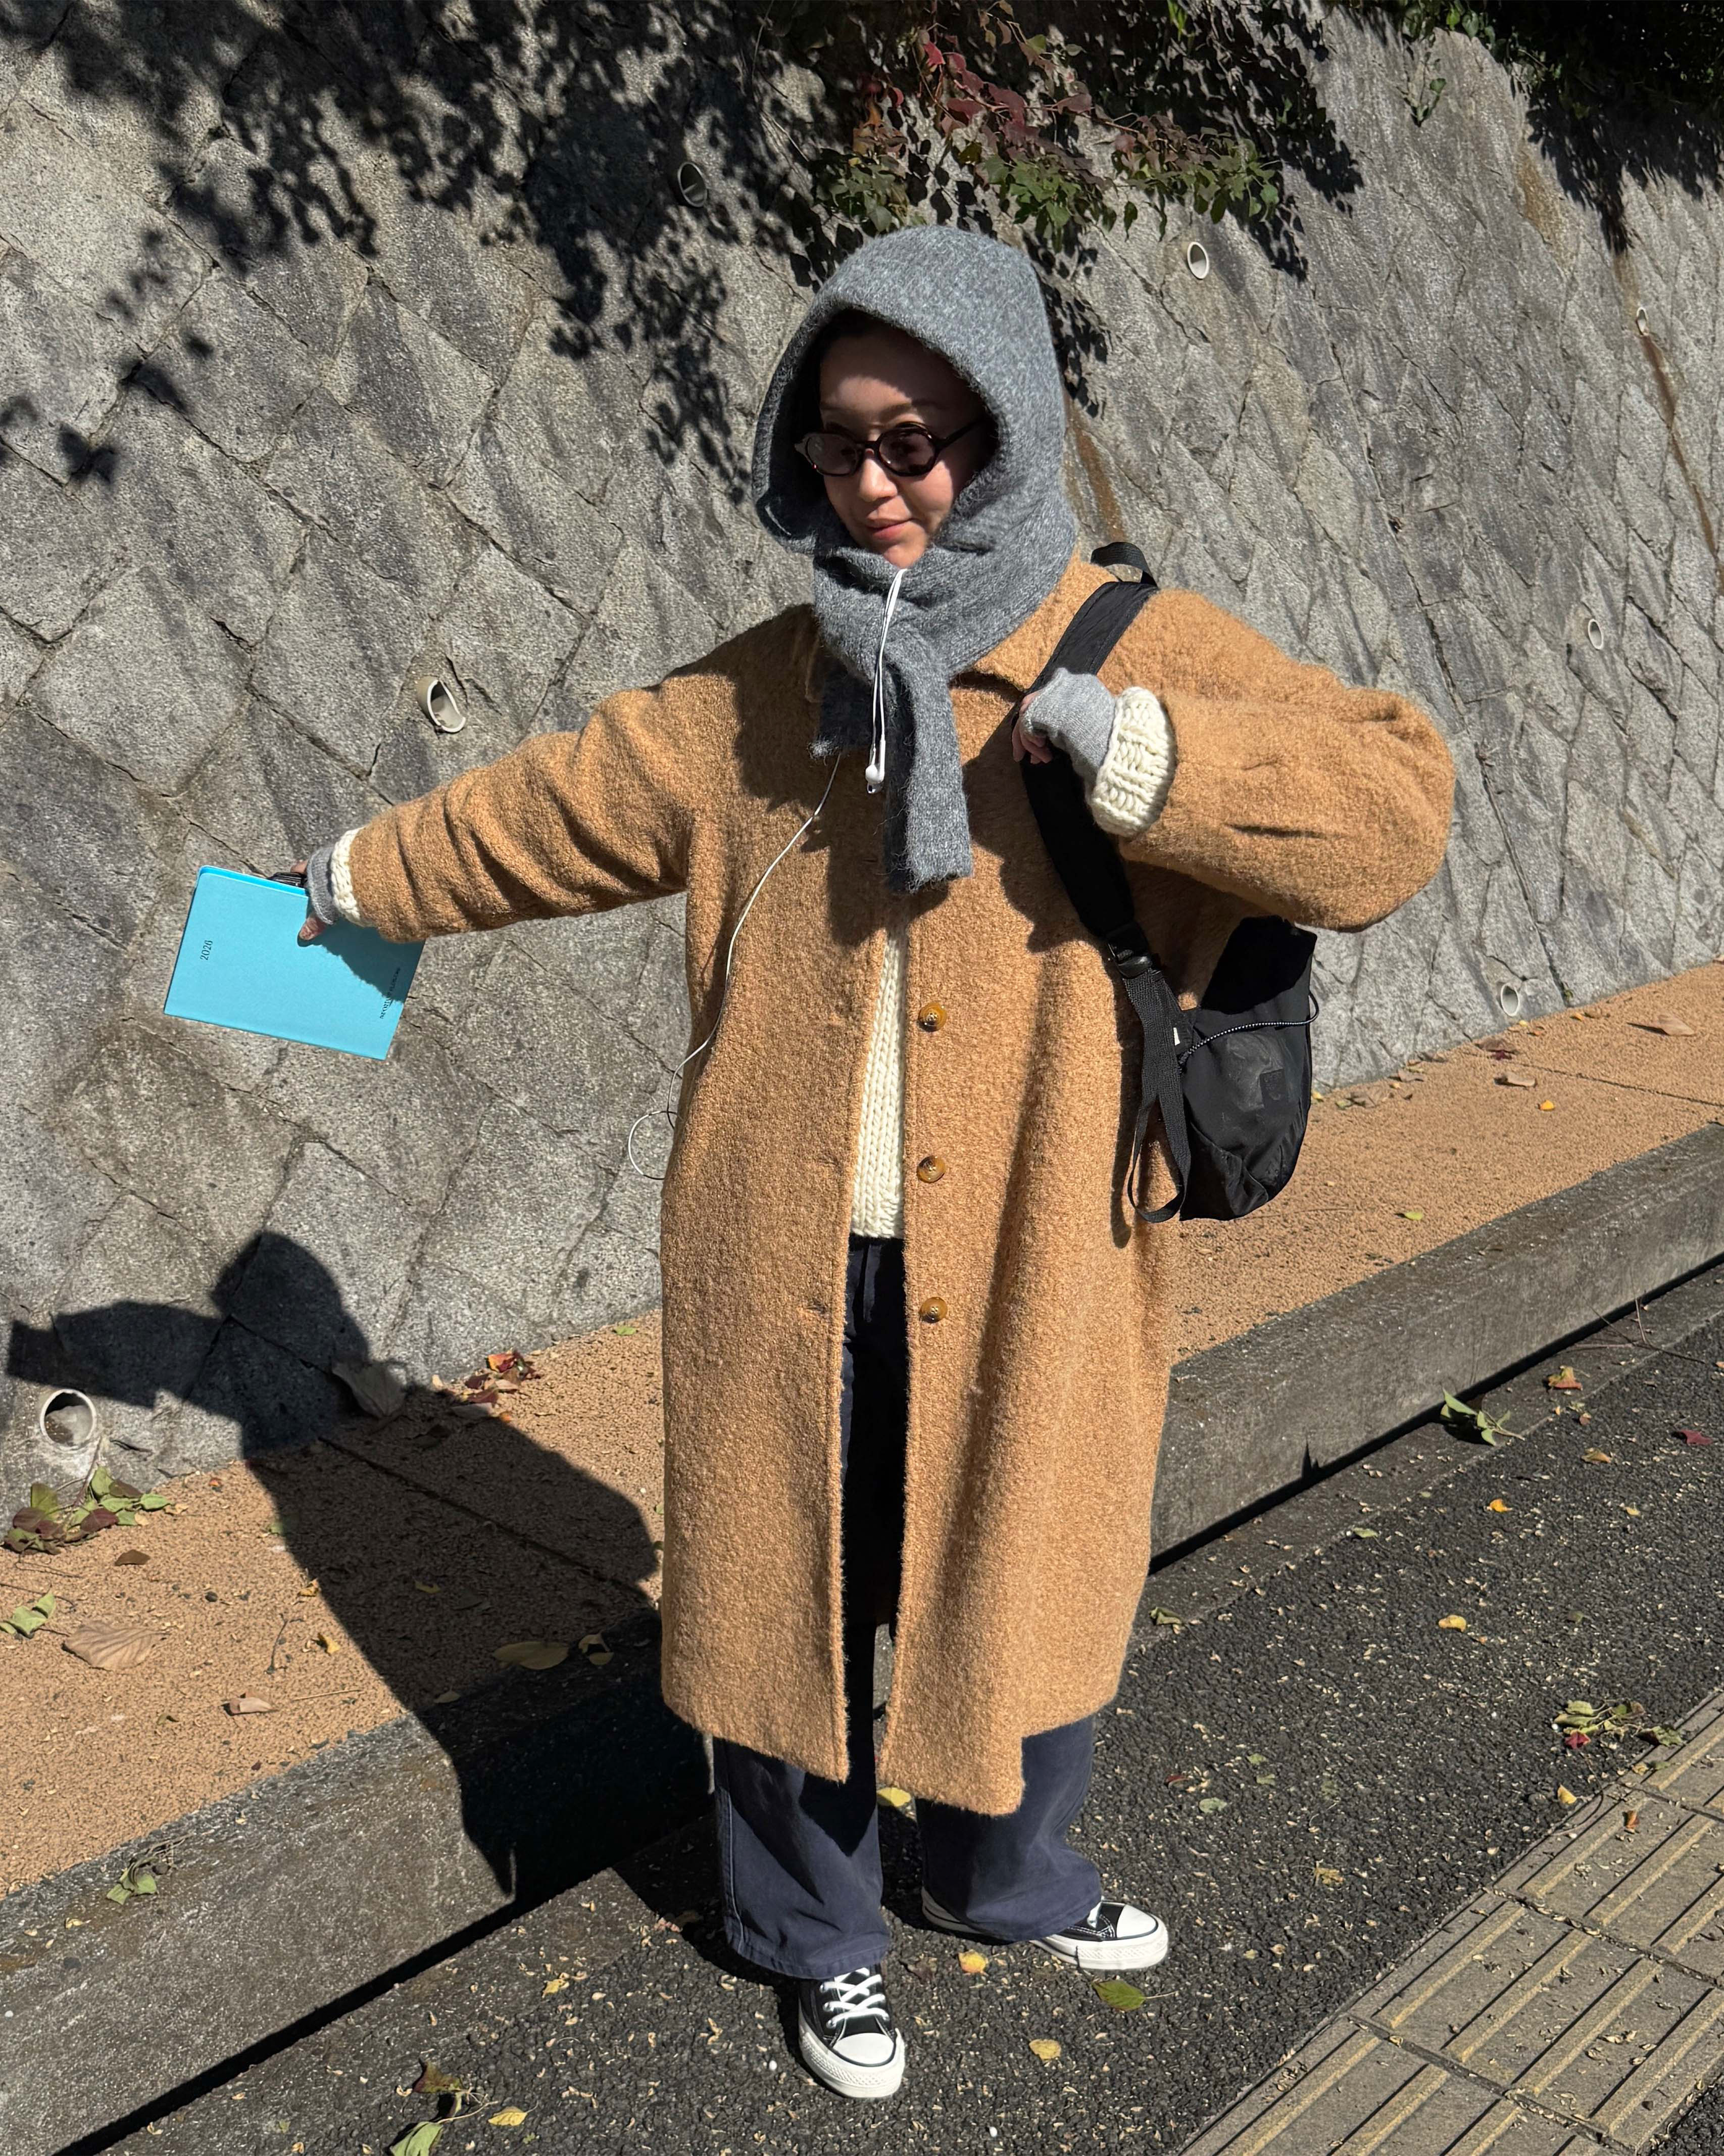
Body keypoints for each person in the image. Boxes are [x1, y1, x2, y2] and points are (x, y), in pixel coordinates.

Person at [297, 224, 1453, 2101]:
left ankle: (1010, 1878)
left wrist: (1146, 758)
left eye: (915, 442)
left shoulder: (1131, 640)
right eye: (838, 445)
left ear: (1007, 430)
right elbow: (554, 805)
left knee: (1032, 1558)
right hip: (787, 1243)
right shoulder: (767, 691)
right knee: (785, 1595)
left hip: (1039, 1240)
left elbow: (1395, 803)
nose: (875, 485)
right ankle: (813, 1934)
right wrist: (351, 882)